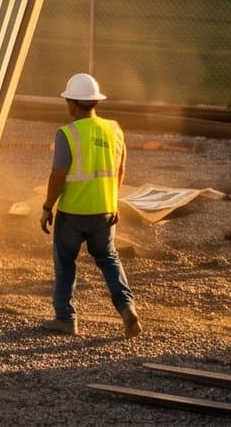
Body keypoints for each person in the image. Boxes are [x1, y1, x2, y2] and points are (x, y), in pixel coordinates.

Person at [41, 72, 141, 339]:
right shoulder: (114, 129)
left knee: (65, 263)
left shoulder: (67, 133)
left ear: (73, 103)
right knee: (109, 259)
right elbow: (120, 169)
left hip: (73, 213)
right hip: (105, 213)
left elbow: (58, 175)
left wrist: (47, 206)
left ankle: (65, 319)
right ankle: (127, 308)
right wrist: (113, 202)